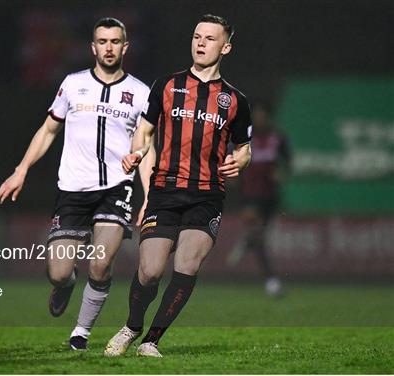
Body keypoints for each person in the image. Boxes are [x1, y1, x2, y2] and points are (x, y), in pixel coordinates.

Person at [0, 18, 152, 350]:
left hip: (115, 188)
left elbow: (145, 147)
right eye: (102, 41)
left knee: (101, 262)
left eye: (114, 42)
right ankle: (66, 284)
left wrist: (149, 194)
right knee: (58, 272)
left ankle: (80, 333)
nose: (108, 47)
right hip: (72, 190)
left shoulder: (140, 93)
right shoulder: (72, 84)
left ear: (125, 47)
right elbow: (49, 130)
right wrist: (21, 169)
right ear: (92, 47)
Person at [104, 14, 252, 358]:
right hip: (165, 190)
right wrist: (137, 152)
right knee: (150, 270)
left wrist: (241, 161)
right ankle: (132, 326)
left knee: (186, 266)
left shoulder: (235, 101)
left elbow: (244, 148)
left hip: (207, 195)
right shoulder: (166, 85)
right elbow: (143, 130)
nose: (201, 42)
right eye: (197, 36)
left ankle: (151, 340)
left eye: (210, 38)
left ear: (226, 47)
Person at [227, 101, 291, 297]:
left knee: (259, 236)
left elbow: (287, 162)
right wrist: (232, 175)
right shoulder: (243, 137)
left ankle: (248, 242)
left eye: (263, 115)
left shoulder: (278, 138)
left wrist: (282, 173)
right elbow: (229, 157)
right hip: (249, 195)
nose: (260, 118)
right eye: (257, 114)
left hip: (270, 196)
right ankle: (271, 280)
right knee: (258, 235)